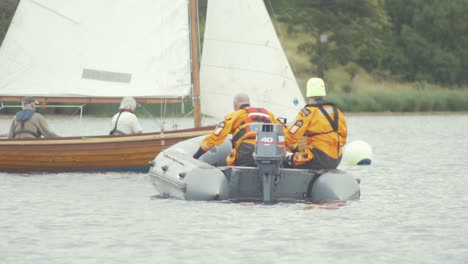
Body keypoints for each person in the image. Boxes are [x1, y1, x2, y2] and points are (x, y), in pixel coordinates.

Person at [193, 93, 280, 166]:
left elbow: (214, 137)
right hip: (270, 151)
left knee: (243, 177)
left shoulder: (235, 115)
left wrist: (196, 156)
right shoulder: (268, 114)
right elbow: (284, 133)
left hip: (247, 150)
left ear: (235, 105)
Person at [285, 77, 347, 169]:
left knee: (285, 160)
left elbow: (292, 135)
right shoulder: (336, 111)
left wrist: (282, 141)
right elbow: (343, 136)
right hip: (336, 158)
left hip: (316, 157)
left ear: (308, 92)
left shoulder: (307, 112)